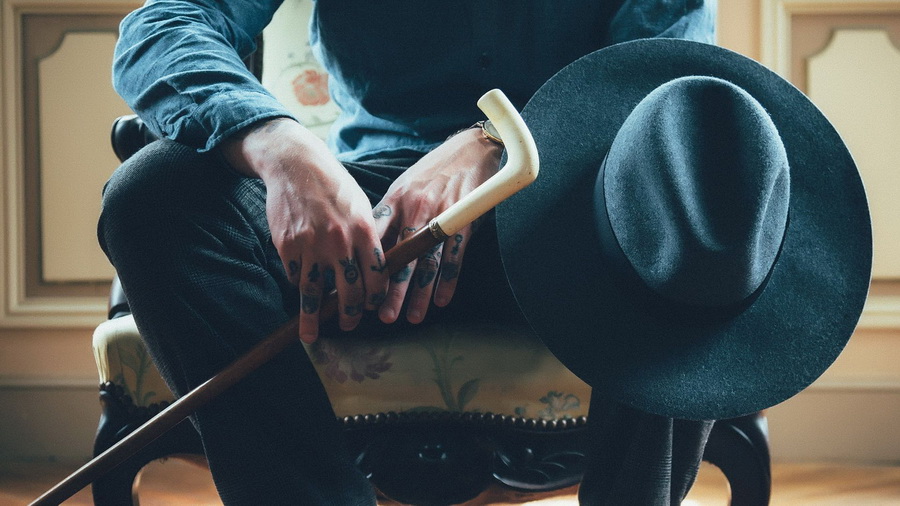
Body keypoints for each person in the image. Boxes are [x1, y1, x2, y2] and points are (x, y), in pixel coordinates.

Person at [101, 1, 717, 504]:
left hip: (569, 224)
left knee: (703, 198)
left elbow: (660, 79)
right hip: (366, 221)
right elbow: (163, 24)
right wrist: (281, 146)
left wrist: (495, 140)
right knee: (151, 196)